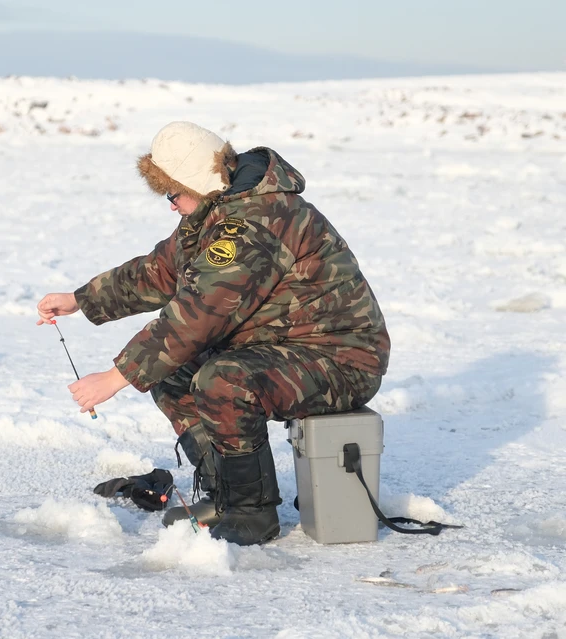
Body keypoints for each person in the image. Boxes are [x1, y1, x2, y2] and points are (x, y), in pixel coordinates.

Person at [36, 122, 390, 546]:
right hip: (282, 347)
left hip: (341, 358)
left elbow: (198, 313)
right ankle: (224, 493)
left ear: (197, 181)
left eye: (173, 193)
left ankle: (251, 513)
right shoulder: (215, 211)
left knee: (223, 379)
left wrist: (114, 379)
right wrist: (80, 300)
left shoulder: (257, 220)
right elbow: (160, 271)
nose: (171, 205)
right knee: (175, 369)